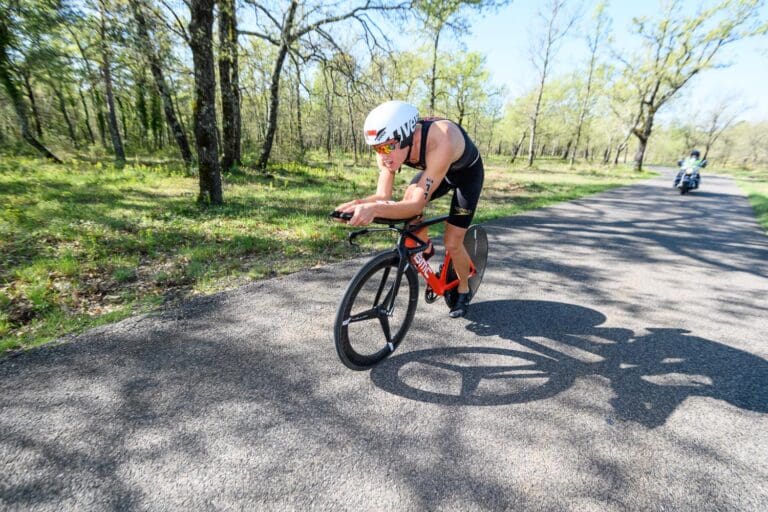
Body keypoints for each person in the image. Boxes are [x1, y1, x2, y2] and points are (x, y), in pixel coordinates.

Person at [334, 100, 484, 318]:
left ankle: (463, 289)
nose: (382, 155)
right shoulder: (388, 144)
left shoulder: (441, 138)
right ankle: (424, 245)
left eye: (386, 147)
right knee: (408, 197)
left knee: (453, 241)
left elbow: (416, 205)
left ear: (405, 136)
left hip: (466, 178)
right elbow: (383, 197)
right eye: (376, 148)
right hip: (435, 173)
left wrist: (374, 210)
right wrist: (359, 205)